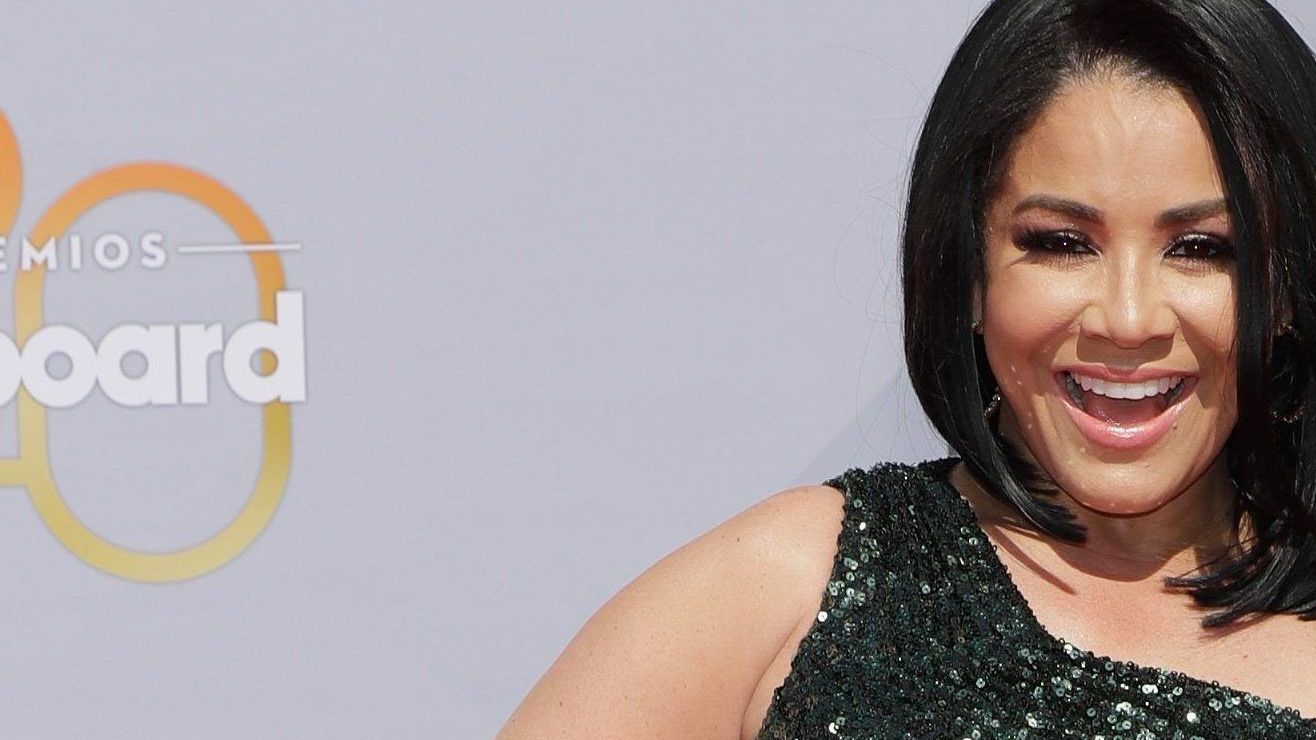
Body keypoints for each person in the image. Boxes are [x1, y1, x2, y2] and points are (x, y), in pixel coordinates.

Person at [498, 0, 1316, 736]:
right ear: (967, 271)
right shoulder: (790, 589)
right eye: (1062, 243)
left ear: (1288, 288)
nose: (1128, 319)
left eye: (1202, 249)